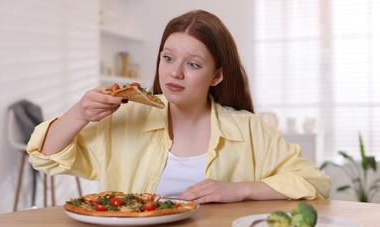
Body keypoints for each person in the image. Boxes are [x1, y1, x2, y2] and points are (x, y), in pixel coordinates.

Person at [27, 10, 331, 204]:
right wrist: (79, 113)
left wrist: (240, 189)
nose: (175, 73)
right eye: (168, 58)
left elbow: (315, 183)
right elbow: (45, 158)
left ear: (217, 75)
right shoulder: (128, 115)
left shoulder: (249, 129)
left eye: (193, 64)